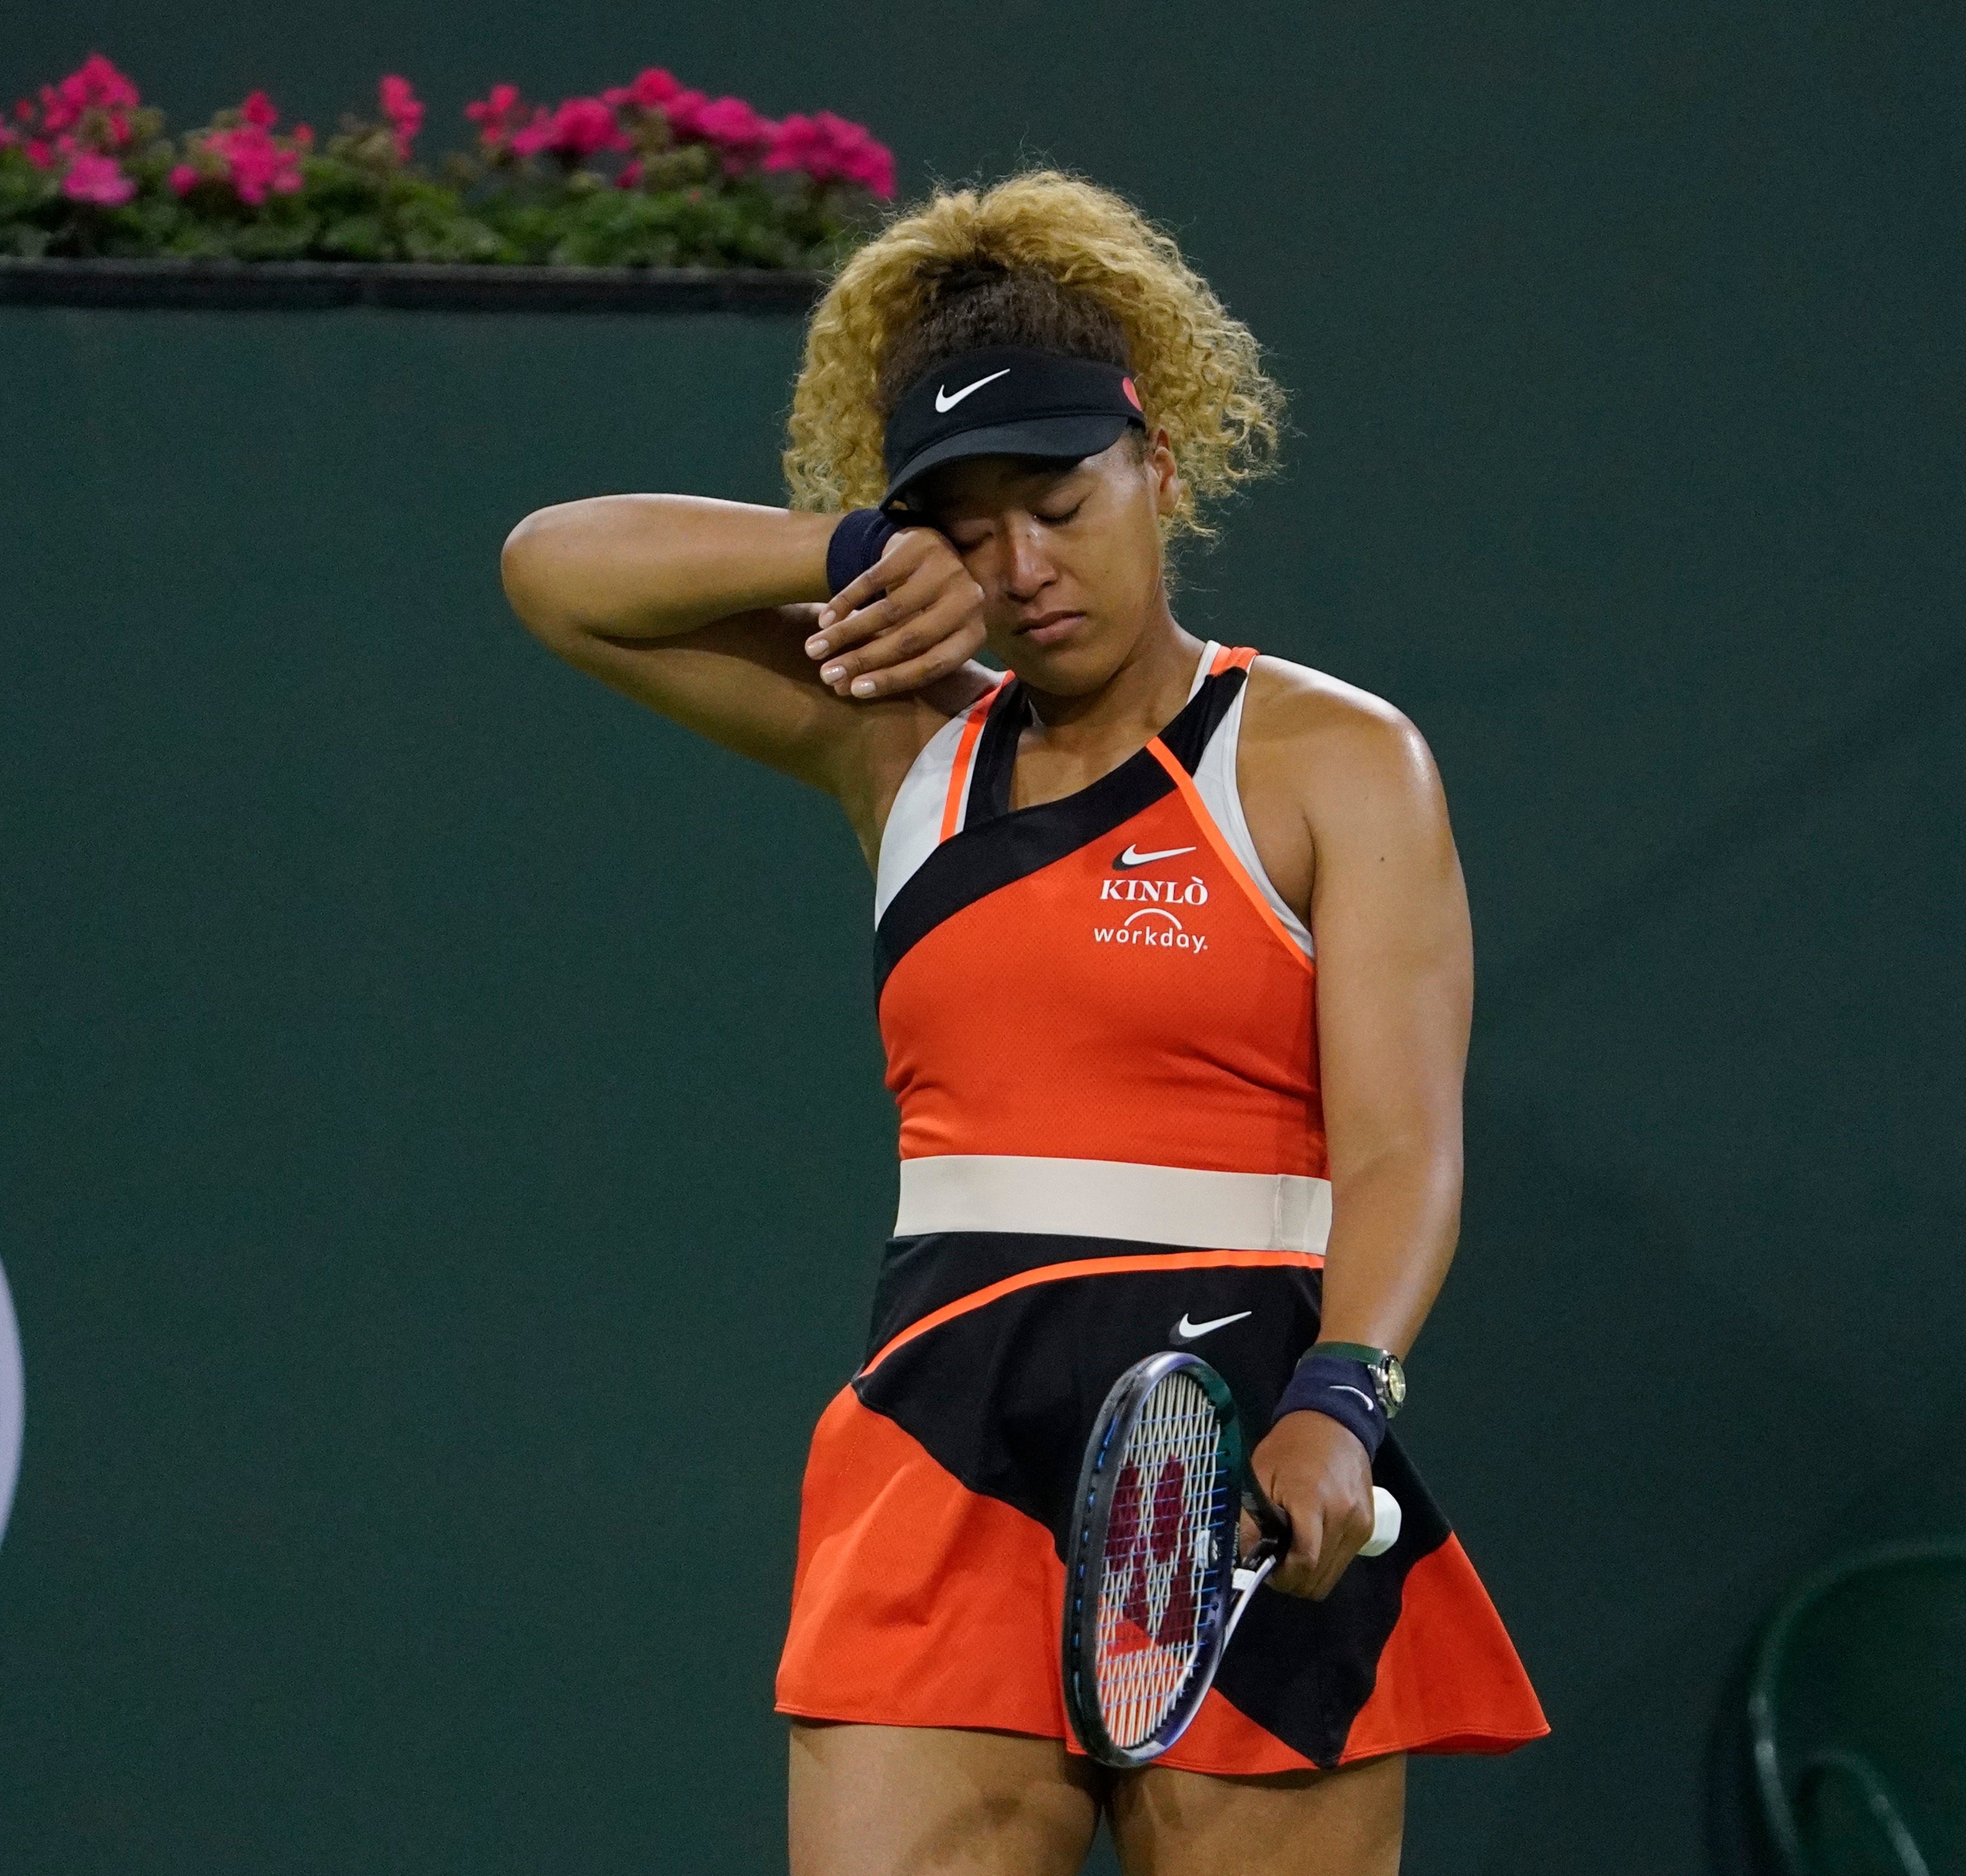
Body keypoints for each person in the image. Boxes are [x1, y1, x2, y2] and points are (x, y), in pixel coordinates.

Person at [500, 169, 1544, 1876]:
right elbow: (556, 572)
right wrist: (841, 552)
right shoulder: (902, 742)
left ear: (1163, 474)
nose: (1024, 565)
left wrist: (1345, 1398)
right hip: (941, 1450)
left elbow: (1404, 1140)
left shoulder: (1332, 757)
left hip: (1247, 1440)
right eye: (968, 527)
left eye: (1059, 502)